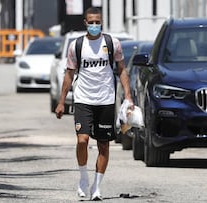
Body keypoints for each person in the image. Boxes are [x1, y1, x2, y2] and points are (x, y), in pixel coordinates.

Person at [55, 7, 133, 201]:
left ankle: (96, 187)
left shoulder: (112, 43)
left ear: (102, 22)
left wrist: (128, 96)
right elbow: (69, 74)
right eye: (91, 22)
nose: (94, 25)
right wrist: (62, 101)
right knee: (82, 140)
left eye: (97, 22)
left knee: (104, 146)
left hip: (106, 100)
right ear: (85, 23)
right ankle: (83, 179)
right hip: (83, 99)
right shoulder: (76, 45)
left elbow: (122, 70)